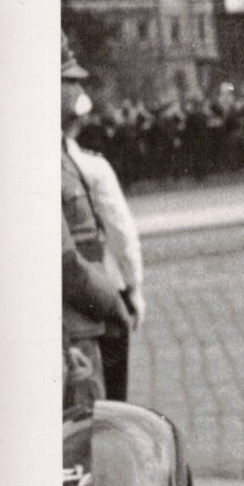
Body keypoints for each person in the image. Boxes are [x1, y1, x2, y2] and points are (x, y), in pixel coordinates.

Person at [61, 36, 131, 395]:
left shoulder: (62, 155)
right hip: (72, 333)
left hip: (81, 325)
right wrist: (112, 302)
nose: (77, 89)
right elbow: (67, 265)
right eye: (68, 81)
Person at [65, 108, 145, 404]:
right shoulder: (92, 166)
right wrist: (134, 287)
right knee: (112, 400)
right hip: (104, 290)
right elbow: (121, 230)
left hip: (75, 298)